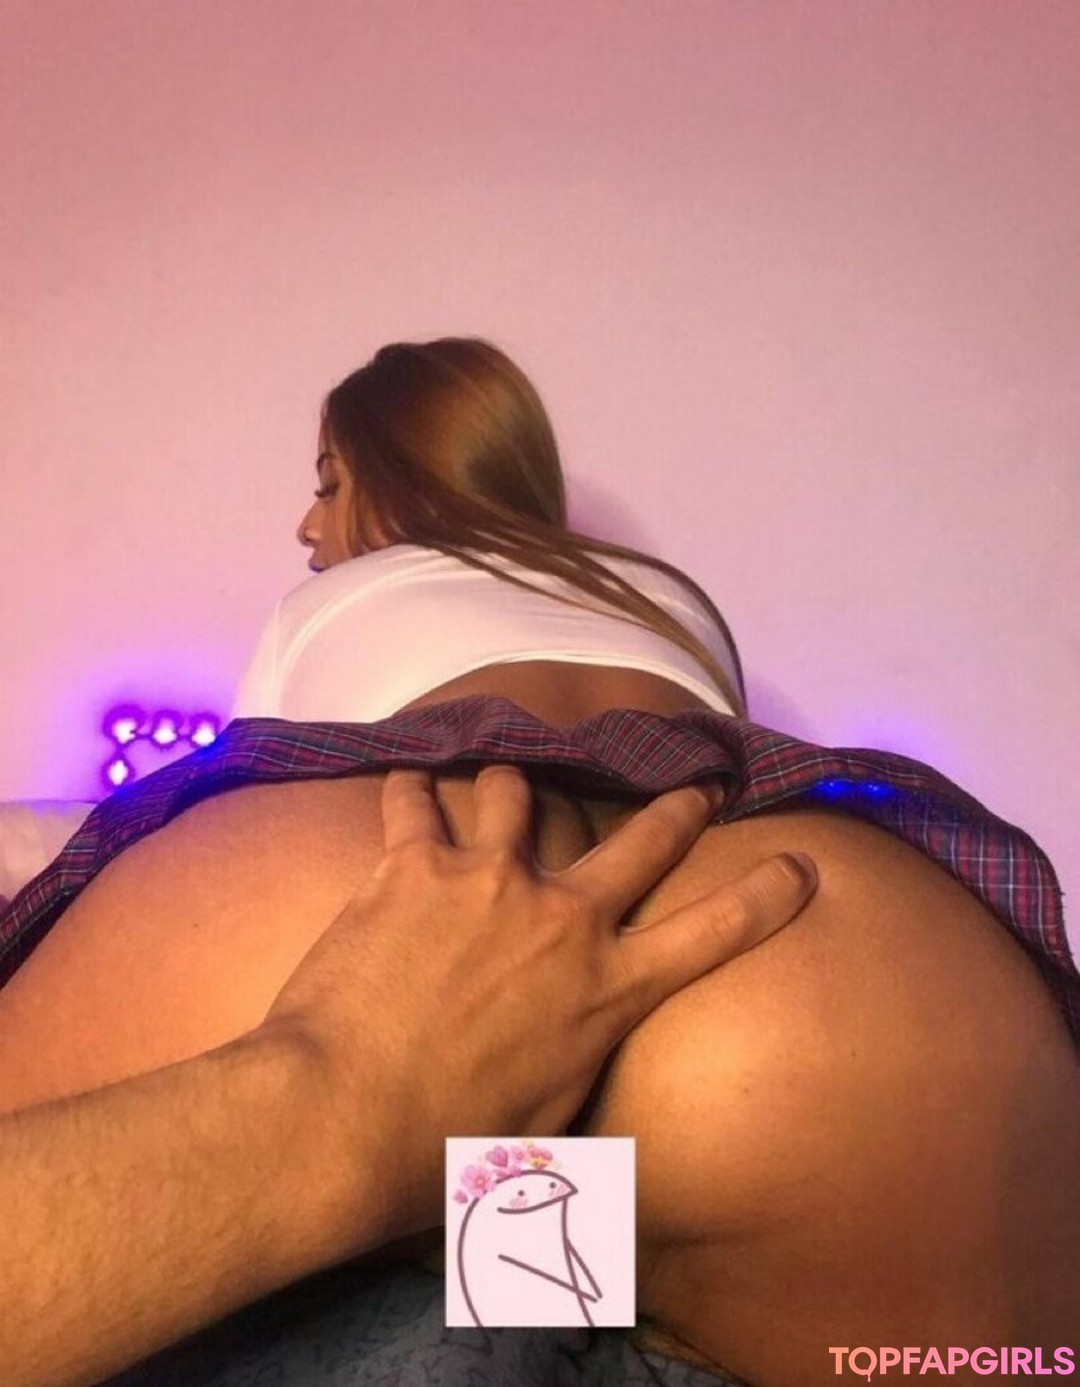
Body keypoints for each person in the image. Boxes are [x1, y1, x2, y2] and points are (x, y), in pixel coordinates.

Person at [0, 337, 1077, 1385]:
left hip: (374, 930)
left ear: (398, 477)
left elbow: (252, 773)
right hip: (802, 981)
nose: (306, 524)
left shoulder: (319, 605)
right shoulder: (666, 593)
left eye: (329, 484)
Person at [0, 768, 820, 1387]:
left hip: (307, 932)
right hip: (793, 1004)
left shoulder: (314, 645)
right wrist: (336, 1093)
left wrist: (340, 1091)